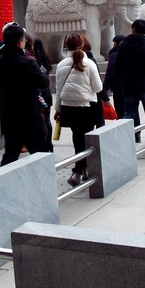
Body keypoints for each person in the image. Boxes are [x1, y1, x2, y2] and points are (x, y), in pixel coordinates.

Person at [0, 23, 50, 165]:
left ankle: (2, 184)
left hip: (9, 117)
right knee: (40, 155)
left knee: (10, 156)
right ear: (19, 43)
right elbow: (44, 83)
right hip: (30, 117)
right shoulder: (28, 63)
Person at [54, 34, 103, 186]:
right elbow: (98, 87)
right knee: (88, 138)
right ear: (82, 44)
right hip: (87, 107)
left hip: (69, 107)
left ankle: (80, 169)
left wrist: (58, 109)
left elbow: (59, 89)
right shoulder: (89, 63)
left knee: (77, 138)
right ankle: (80, 169)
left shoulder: (61, 65)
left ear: (66, 46)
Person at [114, 19, 145, 144]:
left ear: (133, 29)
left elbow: (117, 65)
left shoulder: (123, 45)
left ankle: (131, 139)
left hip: (129, 86)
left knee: (130, 114)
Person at [32, 37, 54, 152]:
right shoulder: (46, 58)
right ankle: (49, 143)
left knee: (40, 120)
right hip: (47, 93)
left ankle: (43, 144)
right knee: (47, 119)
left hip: (38, 94)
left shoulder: (32, 60)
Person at [103, 35, 125, 123]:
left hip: (118, 87)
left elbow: (110, 73)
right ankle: (136, 133)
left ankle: (122, 129)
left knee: (120, 110)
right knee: (131, 111)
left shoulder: (114, 54)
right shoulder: (130, 52)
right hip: (131, 86)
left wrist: (105, 88)